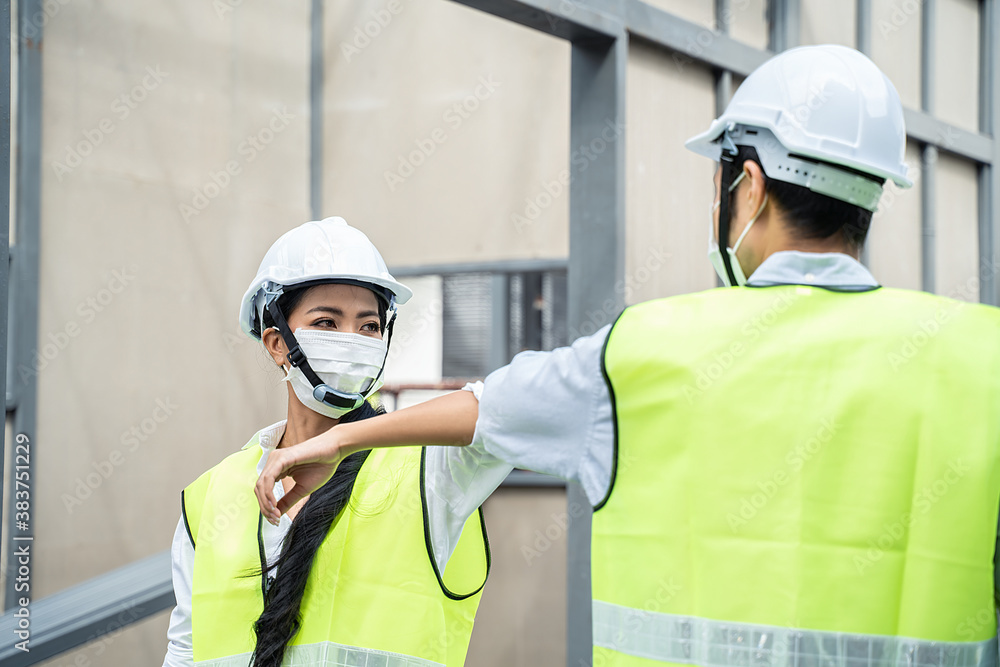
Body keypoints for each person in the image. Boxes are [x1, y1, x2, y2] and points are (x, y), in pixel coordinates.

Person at [254, 46, 1000, 666]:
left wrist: (343, 434)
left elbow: (485, 409)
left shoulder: (640, 351)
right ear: (872, 196)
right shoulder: (981, 357)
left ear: (750, 185)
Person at [162, 217, 512, 667]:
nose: (353, 340)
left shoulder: (431, 470)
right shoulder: (208, 496)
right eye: (327, 321)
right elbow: (186, 650)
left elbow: (509, 408)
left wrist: (345, 438)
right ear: (276, 343)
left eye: (368, 326)